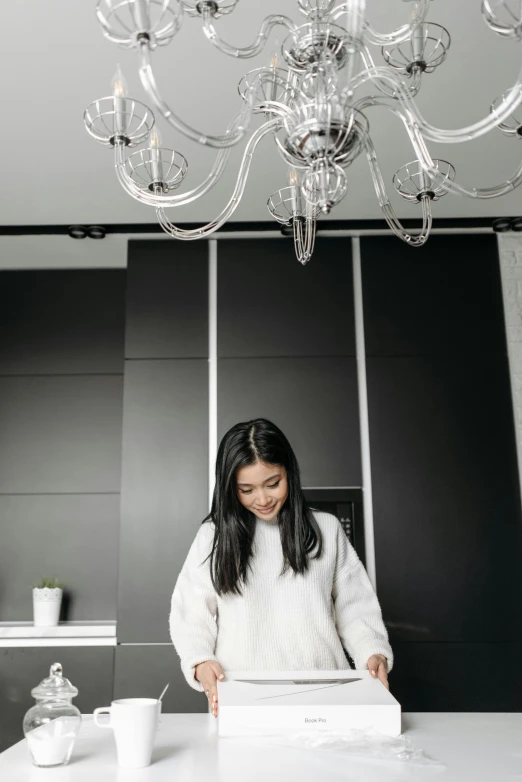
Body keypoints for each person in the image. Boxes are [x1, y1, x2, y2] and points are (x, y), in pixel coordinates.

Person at [169, 418, 393, 718]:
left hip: (327, 695)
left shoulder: (326, 529)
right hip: (244, 698)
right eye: (246, 489)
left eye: (273, 483)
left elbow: (355, 608)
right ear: (229, 488)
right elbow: (191, 612)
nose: (262, 499)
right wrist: (199, 661)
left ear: (290, 472)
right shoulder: (214, 537)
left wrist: (372, 652)